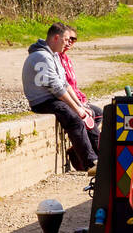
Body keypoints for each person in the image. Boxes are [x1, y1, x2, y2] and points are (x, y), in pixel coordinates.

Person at [24, 23, 99, 172]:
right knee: (74, 119)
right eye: (66, 39)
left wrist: (81, 106)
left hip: (53, 98)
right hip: (42, 101)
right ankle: (90, 163)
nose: (67, 43)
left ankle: (101, 157)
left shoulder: (54, 55)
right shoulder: (42, 56)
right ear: (56, 38)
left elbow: (64, 84)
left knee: (87, 115)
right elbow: (56, 89)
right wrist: (77, 110)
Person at [56, 26, 103, 129]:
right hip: (68, 100)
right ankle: (85, 143)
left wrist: (81, 99)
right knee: (94, 114)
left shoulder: (66, 59)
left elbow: (72, 85)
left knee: (99, 113)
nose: (70, 42)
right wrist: (78, 104)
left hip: (77, 98)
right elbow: (62, 86)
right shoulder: (56, 58)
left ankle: (86, 142)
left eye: (73, 40)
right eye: (68, 39)